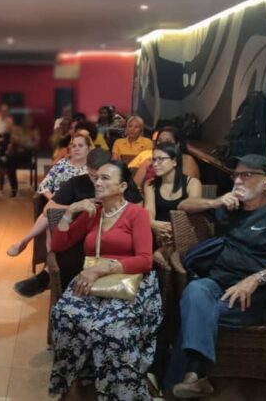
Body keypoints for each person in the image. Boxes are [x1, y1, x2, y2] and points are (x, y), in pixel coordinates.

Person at [167, 155, 266, 398]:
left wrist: (255, 279)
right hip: (215, 283)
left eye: (247, 175)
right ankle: (194, 378)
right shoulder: (229, 207)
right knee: (195, 291)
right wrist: (215, 202)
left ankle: (182, 380)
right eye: (236, 175)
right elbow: (183, 206)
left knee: (196, 311)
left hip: (256, 294)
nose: (238, 180)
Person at [49, 161, 161, 400]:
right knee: (64, 314)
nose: (98, 183)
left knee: (111, 328)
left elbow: (145, 260)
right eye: (97, 178)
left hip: (130, 282)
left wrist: (103, 268)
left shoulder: (137, 214)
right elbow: (59, 244)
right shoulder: (93, 213)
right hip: (92, 283)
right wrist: (70, 211)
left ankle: (120, 392)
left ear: (122, 186)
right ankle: (75, 382)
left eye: (105, 178)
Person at [13, 148, 119, 298]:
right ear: (87, 168)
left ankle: (45, 277)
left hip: (111, 237)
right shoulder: (76, 183)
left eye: (104, 177)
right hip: (80, 239)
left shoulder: (121, 183)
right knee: (69, 243)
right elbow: (49, 210)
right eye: (93, 177)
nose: (98, 182)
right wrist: (75, 207)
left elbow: (134, 211)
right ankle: (55, 283)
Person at [143, 142, 202, 247]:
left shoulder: (192, 183)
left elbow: (193, 213)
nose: (155, 164)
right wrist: (153, 224)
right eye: (154, 159)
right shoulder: (150, 184)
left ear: (174, 161)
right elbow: (149, 210)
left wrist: (173, 231)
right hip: (157, 231)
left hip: (184, 234)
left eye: (161, 159)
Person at [132, 126, 200, 188]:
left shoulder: (186, 160)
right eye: (160, 140)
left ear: (177, 144)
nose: (163, 143)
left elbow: (187, 188)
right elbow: (134, 187)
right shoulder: (149, 161)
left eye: (168, 141)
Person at [4, 114, 40, 197]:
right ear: (23, 121)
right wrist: (26, 143)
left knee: (10, 159)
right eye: (26, 120)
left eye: (29, 120)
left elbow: (36, 145)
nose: (27, 122)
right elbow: (13, 139)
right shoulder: (18, 129)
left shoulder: (34, 131)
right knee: (11, 161)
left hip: (27, 155)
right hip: (16, 155)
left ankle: (14, 189)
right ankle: (14, 188)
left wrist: (22, 143)